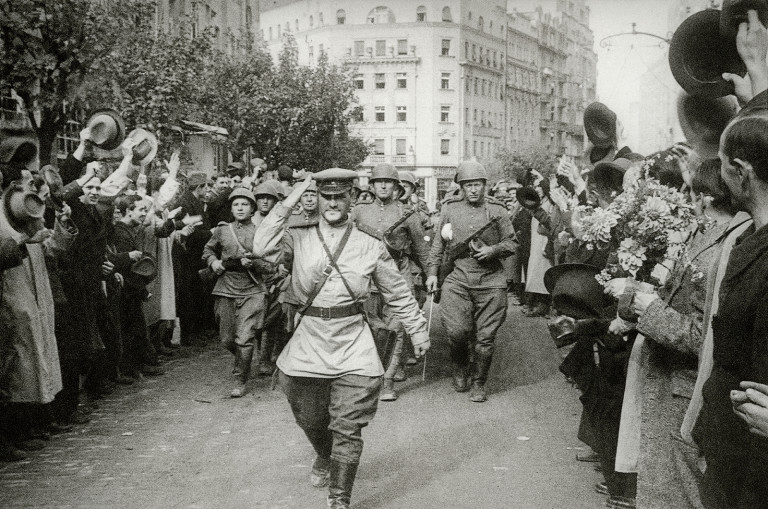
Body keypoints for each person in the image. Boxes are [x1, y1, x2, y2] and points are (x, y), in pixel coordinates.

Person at [252, 170, 430, 509]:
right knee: (310, 418)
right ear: (317, 198)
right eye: (325, 196)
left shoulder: (369, 242)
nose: (332, 203)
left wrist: (418, 330)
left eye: (339, 197)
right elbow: (261, 246)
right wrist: (291, 199)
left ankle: (340, 499)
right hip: (309, 340)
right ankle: (323, 454)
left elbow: (398, 291)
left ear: (353, 199)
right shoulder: (297, 237)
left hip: (352, 340)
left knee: (347, 426)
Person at [693, 110, 768, 508]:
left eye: (721, 165)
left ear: (740, 171)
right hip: (732, 449)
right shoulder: (750, 238)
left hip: (755, 466)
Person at [426, 160, 516, 402]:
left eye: (477, 185)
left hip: (491, 279)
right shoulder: (450, 209)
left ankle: (479, 382)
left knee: (485, 338)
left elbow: (512, 243)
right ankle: (460, 366)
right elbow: (437, 245)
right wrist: (433, 274)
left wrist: (494, 250)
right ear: (461, 188)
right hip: (458, 278)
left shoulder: (497, 210)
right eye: (468, 186)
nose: (474, 190)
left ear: (484, 185)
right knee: (457, 332)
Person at [352, 163, 430, 401]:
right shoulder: (358, 211)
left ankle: (387, 380)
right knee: (370, 329)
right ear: (372, 186)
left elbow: (421, 249)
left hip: (399, 274)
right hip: (366, 276)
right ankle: (371, 374)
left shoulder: (408, 214)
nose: (383, 185)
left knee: (396, 328)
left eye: (388, 182)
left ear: (396, 186)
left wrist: (432, 275)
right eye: (378, 182)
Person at [202, 187, 274, 398]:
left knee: (244, 338)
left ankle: (240, 379)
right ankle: (245, 358)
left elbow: (270, 265)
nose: (240, 208)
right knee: (226, 339)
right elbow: (208, 250)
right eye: (236, 204)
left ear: (252, 209)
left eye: (245, 204)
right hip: (225, 289)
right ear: (231, 209)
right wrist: (213, 261)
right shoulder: (222, 230)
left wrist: (253, 263)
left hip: (252, 290)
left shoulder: (261, 232)